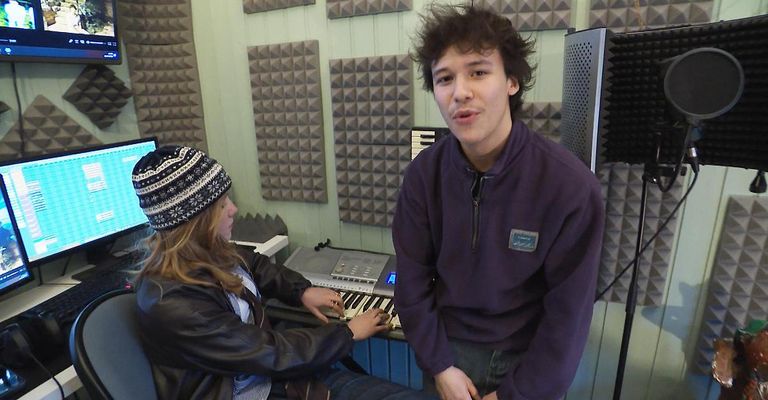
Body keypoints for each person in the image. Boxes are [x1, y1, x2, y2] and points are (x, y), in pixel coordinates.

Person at [392, 4, 605, 400]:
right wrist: (439, 366)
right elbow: (412, 282)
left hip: (527, 365)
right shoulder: (422, 177)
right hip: (446, 357)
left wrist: (517, 394)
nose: (460, 92)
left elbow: (568, 319)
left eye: (478, 71)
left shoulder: (571, 188)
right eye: (444, 78)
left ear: (511, 81)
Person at [131, 145, 436, 400]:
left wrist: (300, 290)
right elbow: (269, 353)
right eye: (223, 205)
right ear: (196, 221)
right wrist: (348, 333)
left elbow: (252, 263)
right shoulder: (170, 302)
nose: (234, 209)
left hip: (272, 377)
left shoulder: (209, 252)